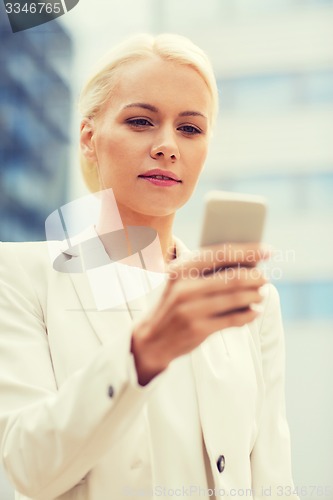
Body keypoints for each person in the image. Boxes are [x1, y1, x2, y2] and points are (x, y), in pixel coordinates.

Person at [0, 33, 298, 500]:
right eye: (141, 121)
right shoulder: (17, 274)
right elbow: (25, 467)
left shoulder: (250, 303)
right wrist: (144, 352)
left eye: (190, 128)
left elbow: (274, 482)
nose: (167, 146)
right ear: (89, 138)